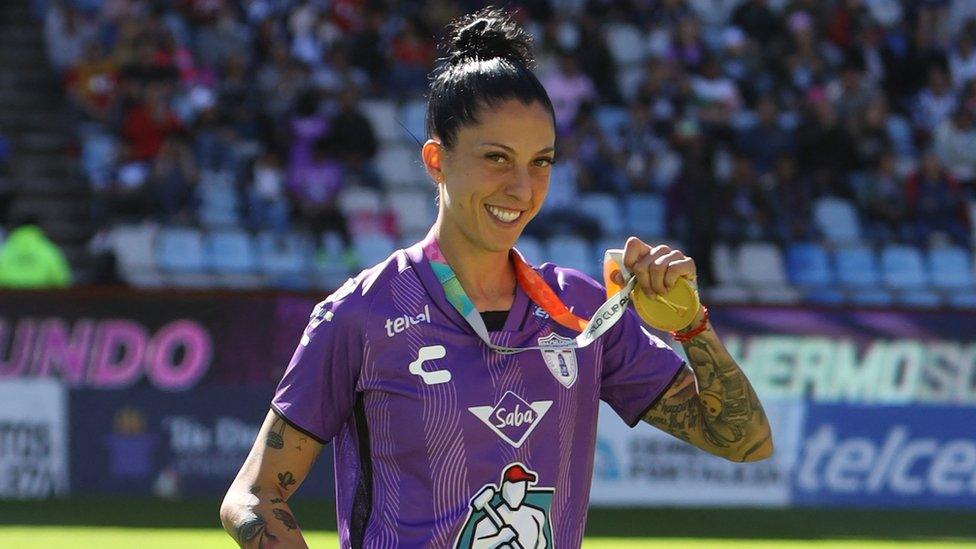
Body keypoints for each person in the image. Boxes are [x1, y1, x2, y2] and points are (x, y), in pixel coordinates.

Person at [220, 8, 772, 549]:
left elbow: (744, 441)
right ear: (437, 160)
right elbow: (254, 495)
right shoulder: (361, 313)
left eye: (541, 162)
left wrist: (692, 328)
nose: (522, 189)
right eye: (497, 158)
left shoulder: (581, 308)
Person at [0, 215, 73, 288]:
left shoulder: (5, 249)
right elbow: (63, 281)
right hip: (43, 298)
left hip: (10, 297)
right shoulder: (48, 249)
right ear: (38, 228)